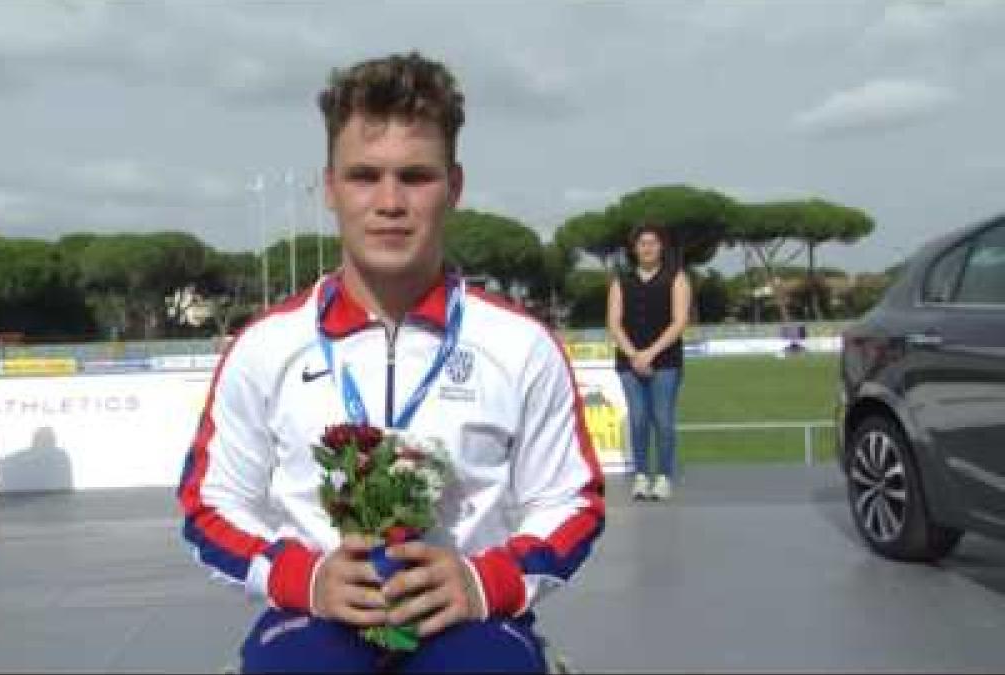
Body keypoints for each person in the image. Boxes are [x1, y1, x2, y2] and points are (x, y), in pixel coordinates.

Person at [176, 52, 603, 673]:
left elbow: (571, 501)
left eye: (416, 176)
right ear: (329, 188)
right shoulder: (265, 347)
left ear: (454, 187)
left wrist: (489, 582)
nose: (390, 201)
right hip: (313, 615)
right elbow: (209, 505)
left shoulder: (520, 344)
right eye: (364, 175)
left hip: (469, 616)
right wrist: (301, 576)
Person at [607, 224, 691, 502]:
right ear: (634, 249)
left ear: (661, 247)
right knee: (639, 418)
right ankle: (641, 476)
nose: (647, 248)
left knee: (663, 420)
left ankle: (664, 476)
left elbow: (679, 322)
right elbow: (614, 323)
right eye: (642, 243)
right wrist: (634, 355)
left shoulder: (677, 279)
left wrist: (650, 353)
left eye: (653, 243)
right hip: (629, 362)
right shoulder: (621, 282)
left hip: (665, 362)